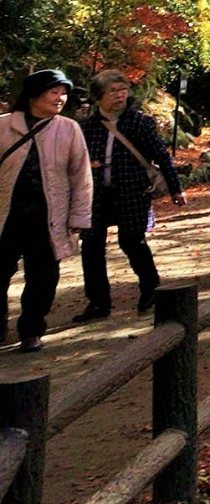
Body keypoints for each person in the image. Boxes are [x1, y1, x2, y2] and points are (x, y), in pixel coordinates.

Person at [76, 70, 184, 320]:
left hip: (132, 191)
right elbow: (77, 161)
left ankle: (150, 288)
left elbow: (162, 156)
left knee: (131, 241)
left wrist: (176, 188)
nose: (119, 95)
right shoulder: (87, 127)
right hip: (96, 195)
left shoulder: (139, 122)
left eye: (122, 90)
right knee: (91, 247)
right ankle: (98, 302)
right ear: (98, 97)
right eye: (112, 91)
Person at [0, 70, 91, 350]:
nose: (61, 98)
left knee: (43, 278)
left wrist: (79, 218)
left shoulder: (68, 129)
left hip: (49, 217)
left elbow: (81, 176)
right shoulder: (3, 126)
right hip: (6, 216)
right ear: (33, 95)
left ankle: (31, 329)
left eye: (64, 93)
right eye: (54, 92)